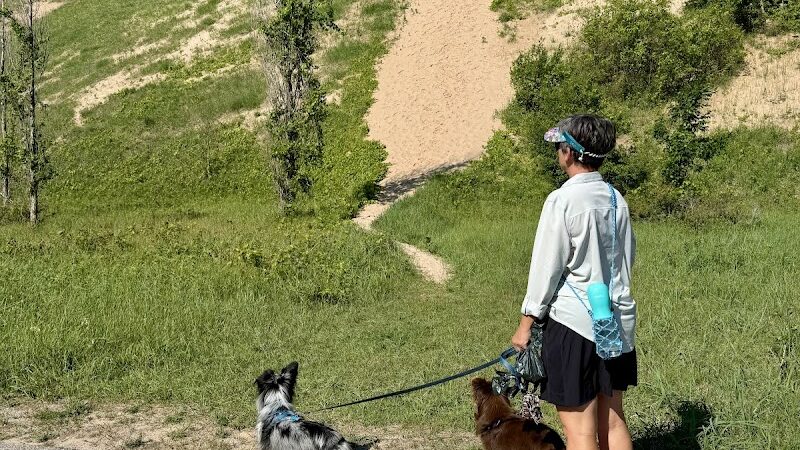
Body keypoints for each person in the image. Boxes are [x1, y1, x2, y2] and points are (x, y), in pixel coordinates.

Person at [510, 114, 637, 450]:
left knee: (580, 431)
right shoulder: (615, 199)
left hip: (573, 324)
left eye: (559, 146)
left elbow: (545, 268)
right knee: (612, 420)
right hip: (616, 324)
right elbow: (626, 260)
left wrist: (526, 324)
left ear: (568, 152)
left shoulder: (562, 200)